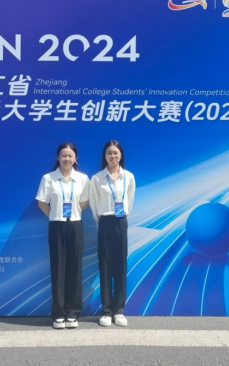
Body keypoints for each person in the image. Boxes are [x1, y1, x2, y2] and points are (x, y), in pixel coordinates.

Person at [36, 142, 89, 329]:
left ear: (75, 158)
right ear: (58, 157)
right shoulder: (48, 178)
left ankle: (73, 312)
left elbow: (84, 202)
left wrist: (73, 212)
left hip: (75, 225)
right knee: (58, 269)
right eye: (63, 155)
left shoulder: (83, 179)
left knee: (75, 269)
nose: (67, 159)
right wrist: (54, 215)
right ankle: (58, 313)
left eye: (70, 155)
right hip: (56, 226)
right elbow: (42, 202)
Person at [89, 140, 136, 327]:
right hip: (105, 222)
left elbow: (129, 201)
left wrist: (121, 216)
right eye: (109, 153)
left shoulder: (129, 177)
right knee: (105, 266)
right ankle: (107, 311)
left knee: (120, 266)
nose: (112, 156)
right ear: (105, 156)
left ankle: (119, 310)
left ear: (121, 155)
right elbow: (94, 205)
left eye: (115, 153)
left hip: (121, 221)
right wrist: (102, 221)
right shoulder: (97, 178)